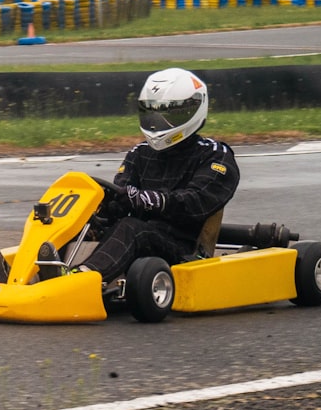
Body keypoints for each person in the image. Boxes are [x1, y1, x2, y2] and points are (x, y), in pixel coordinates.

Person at [72, 67, 240, 282]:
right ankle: (38, 272)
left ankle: (82, 279)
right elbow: (121, 196)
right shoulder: (140, 153)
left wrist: (148, 200)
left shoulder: (215, 156)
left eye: (169, 113)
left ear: (193, 110)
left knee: (132, 229)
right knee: (80, 226)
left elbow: (196, 203)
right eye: (152, 112)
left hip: (183, 250)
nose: (158, 121)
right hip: (140, 242)